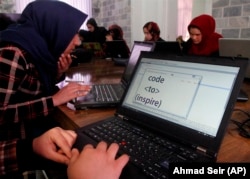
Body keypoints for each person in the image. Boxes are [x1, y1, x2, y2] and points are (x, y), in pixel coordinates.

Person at [0, 0, 92, 177]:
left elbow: (30, 87)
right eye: (72, 32)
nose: (78, 41)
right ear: (54, 27)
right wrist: (53, 100)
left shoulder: (37, 49)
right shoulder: (12, 53)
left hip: (28, 131)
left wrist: (58, 74)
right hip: (14, 141)